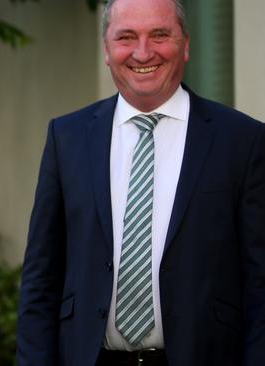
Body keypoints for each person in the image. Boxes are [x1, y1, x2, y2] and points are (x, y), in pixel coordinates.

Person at [16, 0, 265, 365]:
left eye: (159, 35)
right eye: (126, 37)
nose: (143, 52)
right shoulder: (67, 138)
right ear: (107, 49)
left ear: (186, 44)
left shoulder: (243, 141)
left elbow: (260, 285)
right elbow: (42, 276)